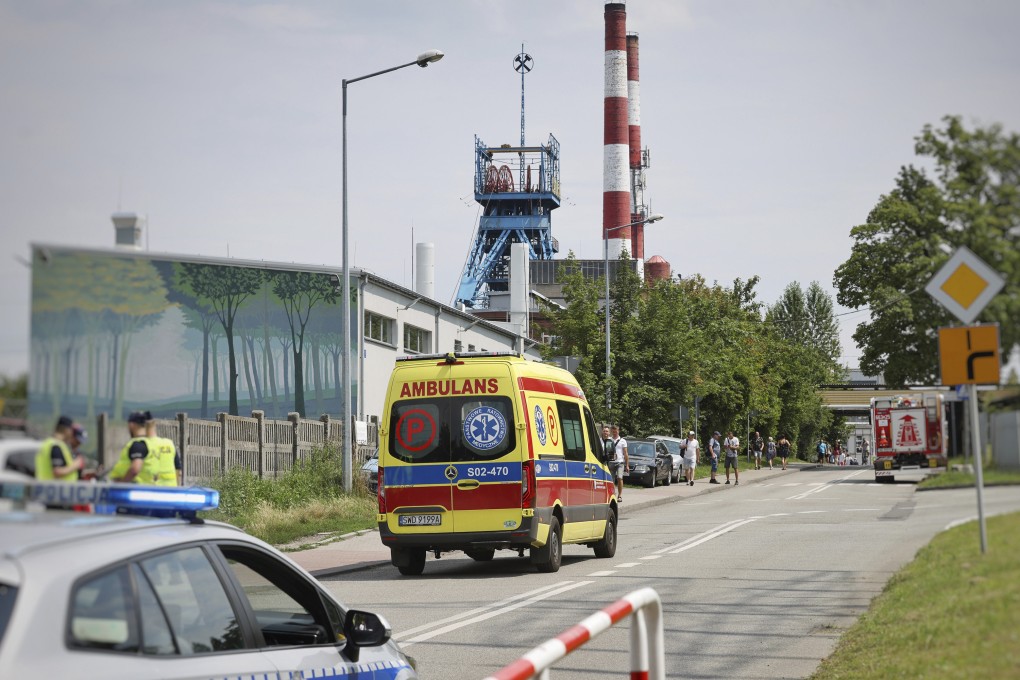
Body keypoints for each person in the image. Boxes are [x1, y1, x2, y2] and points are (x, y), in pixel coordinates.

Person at [110, 411, 158, 483]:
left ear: (131, 425)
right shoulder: (150, 443)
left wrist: (122, 484)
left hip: (135, 488)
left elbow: (135, 469)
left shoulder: (137, 444)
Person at [34, 416, 85, 481]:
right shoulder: (56, 446)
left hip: (46, 487)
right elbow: (57, 472)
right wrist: (75, 465)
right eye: (71, 430)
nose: (72, 433)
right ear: (66, 430)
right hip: (55, 489)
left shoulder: (47, 444)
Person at [146, 417, 180, 486]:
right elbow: (178, 470)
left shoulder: (144, 444)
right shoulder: (169, 444)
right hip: (171, 489)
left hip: (152, 488)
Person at [610, 425, 629, 502]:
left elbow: (625, 453)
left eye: (616, 431)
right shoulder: (609, 440)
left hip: (620, 462)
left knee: (620, 478)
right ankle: (612, 494)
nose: (614, 432)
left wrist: (627, 465)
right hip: (611, 462)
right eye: (613, 431)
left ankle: (620, 495)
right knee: (611, 479)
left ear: (618, 431)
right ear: (612, 431)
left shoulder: (623, 441)